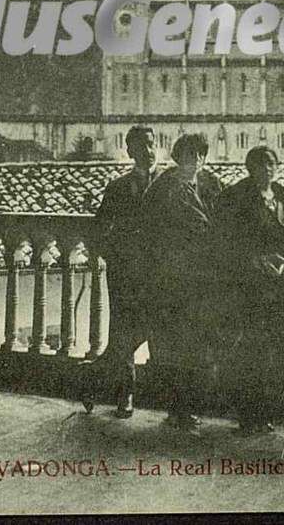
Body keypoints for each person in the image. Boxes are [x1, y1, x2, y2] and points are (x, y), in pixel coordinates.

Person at [216, 146, 284, 434]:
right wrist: (255, 259)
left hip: (280, 288)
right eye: (260, 165)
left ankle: (266, 413)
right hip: (249, 288)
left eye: (271, 164)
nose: (266, 170)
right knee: (249, 351)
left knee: (275, 351)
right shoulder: (235, 198)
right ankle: (246, 415)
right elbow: (224, 242)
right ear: (249, 168)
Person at [140, 132, 222, 434]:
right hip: (170, 280)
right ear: (178, 157)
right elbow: (147, 231)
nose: (195, 161)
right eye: (189, 155)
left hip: (203, 279)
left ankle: (193, 407)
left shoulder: (213, 185)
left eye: (200, 155)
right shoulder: (161, 188)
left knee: (200, 346)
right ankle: (177, 408)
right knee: (170, 346)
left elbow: (224, 224)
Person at [92, 125, 158, 417]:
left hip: (161, 273)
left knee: (162, 331)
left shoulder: (170, 184)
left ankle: (165, 395)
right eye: (140, 146)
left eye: (151, 144)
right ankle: (125, 395)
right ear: (129, 151)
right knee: (122, 334)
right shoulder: (117, 188)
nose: (147, 150)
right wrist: (118, 257)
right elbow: (100, 231)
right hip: (126, 274)